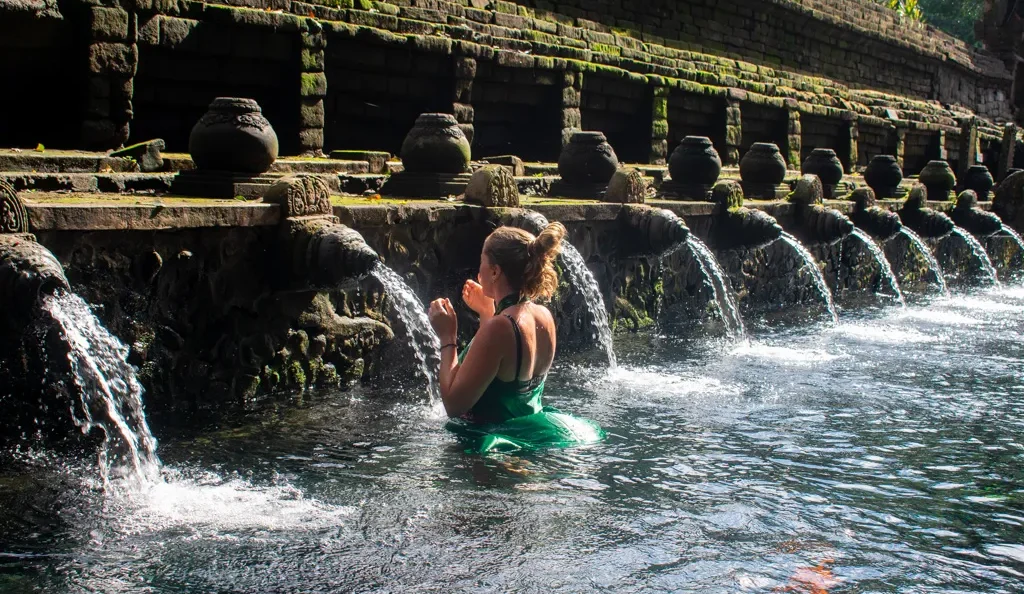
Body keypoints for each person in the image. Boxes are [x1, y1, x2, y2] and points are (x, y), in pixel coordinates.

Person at [428, 221, 605, 453]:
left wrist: (447, 335)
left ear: (494, 271)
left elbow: (453, 404)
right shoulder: (543, 316)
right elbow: (501, 367)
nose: (478, 269)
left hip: (496, 447)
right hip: (533, 435)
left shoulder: (500, 327)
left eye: (482, 261)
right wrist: (487, 312)